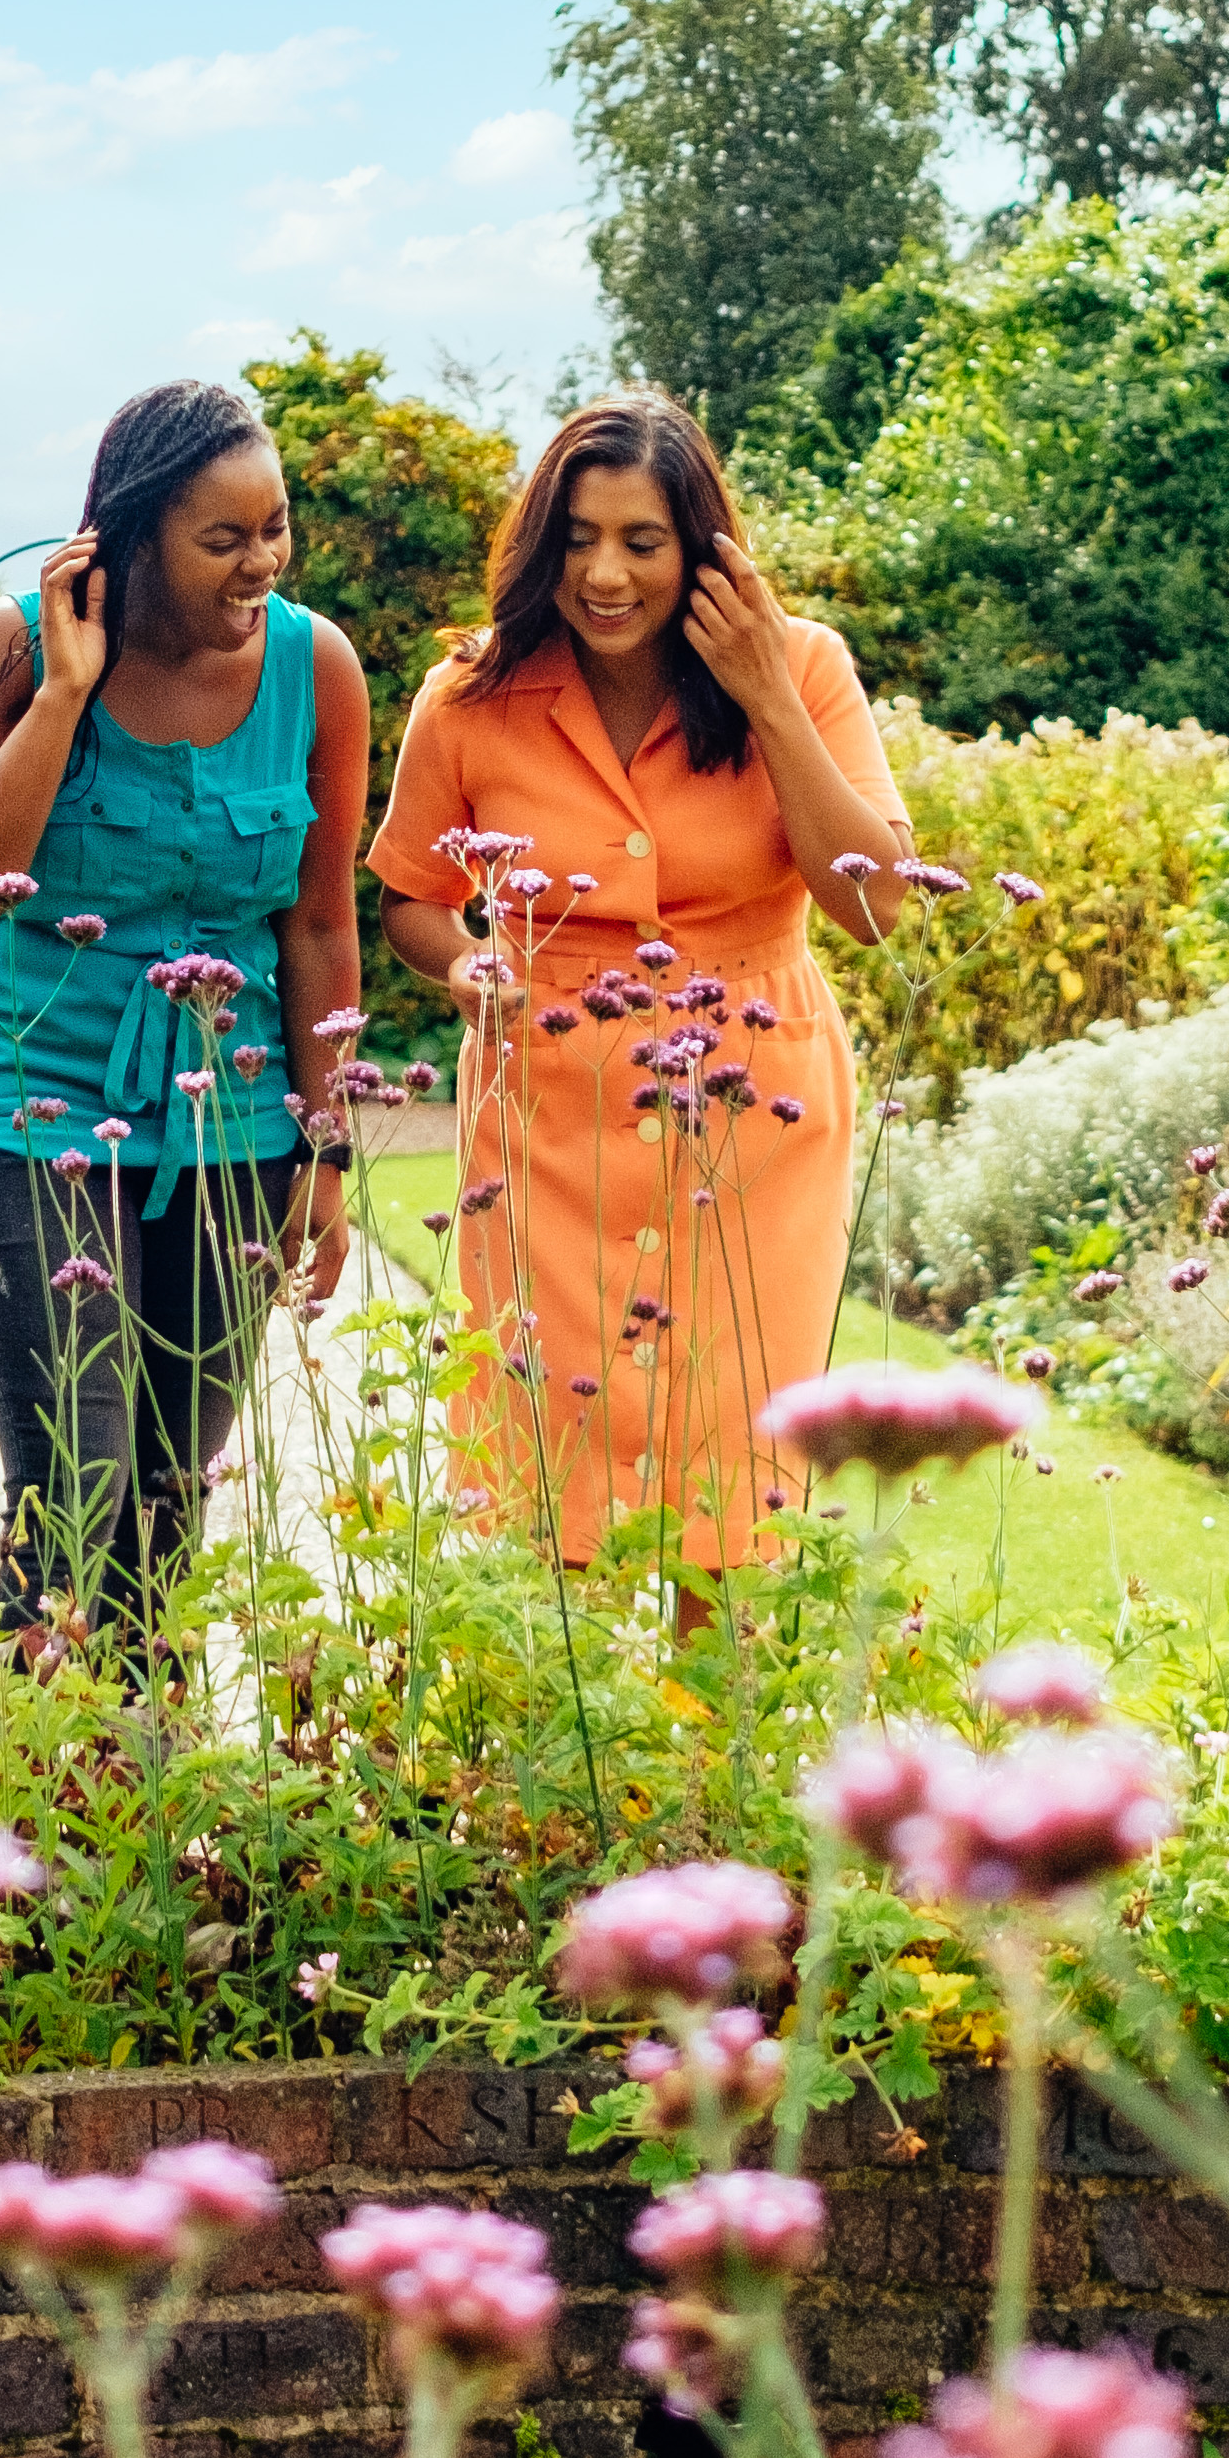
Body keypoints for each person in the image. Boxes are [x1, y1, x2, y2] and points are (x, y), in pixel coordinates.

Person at [368, 393, 917, 1575]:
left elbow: (873, 904)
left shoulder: (805, 666)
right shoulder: (468, 694)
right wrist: (464, 960)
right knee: (535, 1464)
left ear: (702, 549)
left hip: (754, 1119)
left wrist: (766, 695)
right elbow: (409, 893)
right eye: (576, 538)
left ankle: (717, 1754)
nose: (603, 574)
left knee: (735, 1480)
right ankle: (547, 1750)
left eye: (641, 541)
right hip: (545, 1113)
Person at [0, 380, 365, 1650]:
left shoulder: (315, 668)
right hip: (28, 1097)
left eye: (275, 527)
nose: (260, 561)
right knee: (72, 1494)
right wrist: (63, 694)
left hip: (228, 1117)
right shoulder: (7, 647)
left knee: (165, 1514)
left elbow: (321, 923)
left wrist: (322, 1155)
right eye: (224, 539)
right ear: (134, 533)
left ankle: (135, 1822)